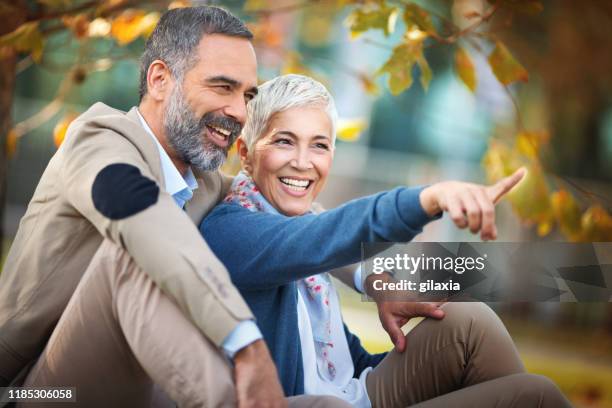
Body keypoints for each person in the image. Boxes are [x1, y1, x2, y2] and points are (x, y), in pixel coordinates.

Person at [0, 8, 350, 408]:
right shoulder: (97, 143)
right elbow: (145, 221)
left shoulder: (200, 184)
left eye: (247, 95)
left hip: (147, 390)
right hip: (36, 390)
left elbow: (300, 216)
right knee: (131, 258)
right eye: (223, 87)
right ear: (160, 80)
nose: (239, 111)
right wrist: (246, 344)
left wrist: (381, 279)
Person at [199, 74, 574, 407]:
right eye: (284, 141)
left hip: (354, 392)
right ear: (246, 154)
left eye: (319, 145)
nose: (303, 162)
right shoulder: (233, 232)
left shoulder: (293, 229)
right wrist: (429, 199)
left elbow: (339, 364)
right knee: (533, 395)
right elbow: (322, 237)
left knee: (468, 319)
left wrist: (380, 284)